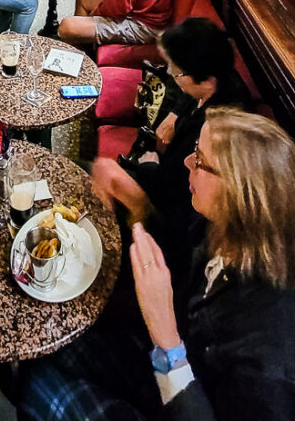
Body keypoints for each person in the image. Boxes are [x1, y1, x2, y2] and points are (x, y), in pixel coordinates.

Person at [17, 108, 295, 421]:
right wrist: (137, 203)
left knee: (37, 392)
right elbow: (180, 256)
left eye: (201, 160)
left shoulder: (273, 363)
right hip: (167, 370)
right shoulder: (233, 228)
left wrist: (166, 337)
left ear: (241, 192)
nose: (186, 162)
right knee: (49, 341)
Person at [91, 17, 250, 281]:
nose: (172, 78)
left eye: (175, 73)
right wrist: (175, 113)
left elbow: (176, 200)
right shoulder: (220, 79)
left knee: (99, 176)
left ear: (201, 78)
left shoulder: (215, 132)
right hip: (167, 185)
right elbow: (189, 92)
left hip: (174, 227)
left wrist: (145, 174)